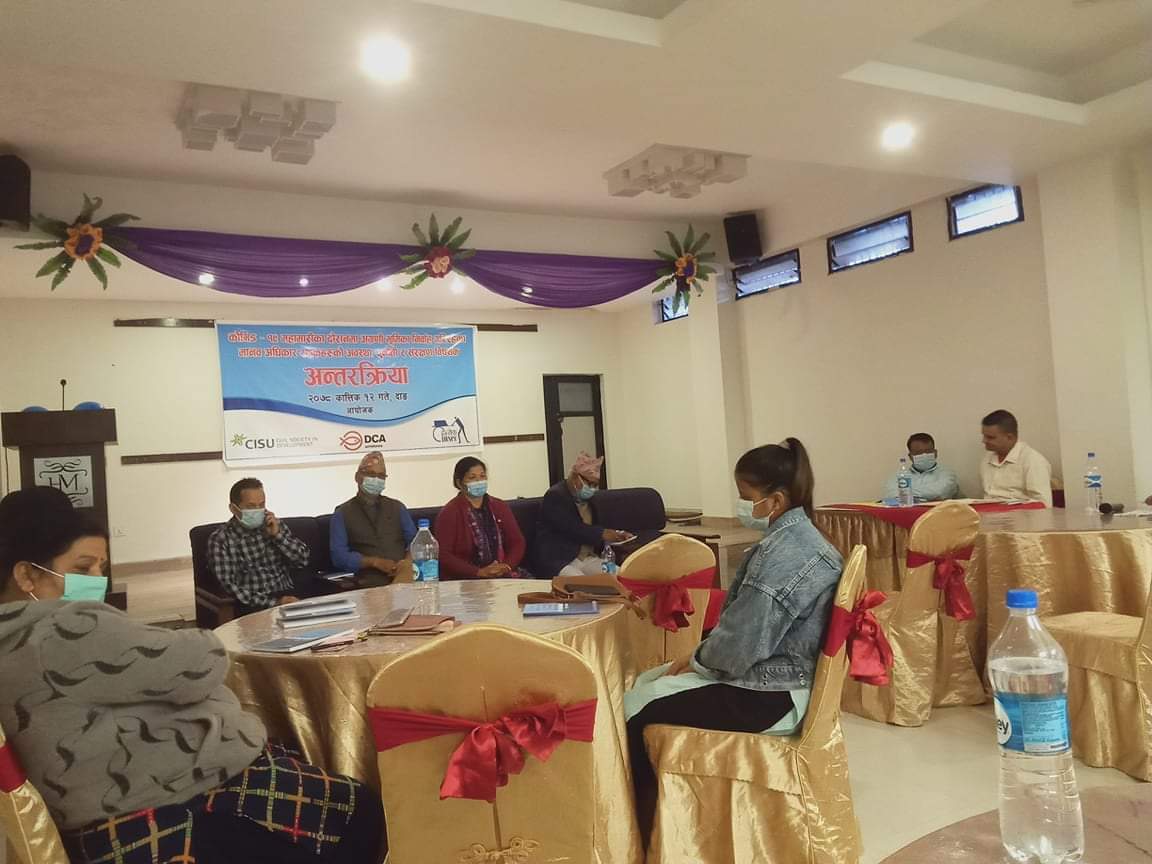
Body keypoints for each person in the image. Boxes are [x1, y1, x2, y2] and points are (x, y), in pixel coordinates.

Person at [0, 487, 384, 864]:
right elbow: (200, 660)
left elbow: (301, 560)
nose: (96, 581)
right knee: (357, 806)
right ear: (26, 575)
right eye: (83, 569)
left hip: (99, 810)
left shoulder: (12, 640)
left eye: (101, 568)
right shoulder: (67, 626)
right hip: (166, 806)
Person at [623, 439, 843, 846]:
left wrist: (697, 659)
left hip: (768, 693)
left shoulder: (782, 556)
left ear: (775, 501)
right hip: (785, 678)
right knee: (648, 681)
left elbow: (738, 651)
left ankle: (643, 833)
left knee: (635, 709)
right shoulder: (805, 539)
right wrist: (698, 658)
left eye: (746, 496)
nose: (742, 505)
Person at [207, 477, 313, 615]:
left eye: (261, 505)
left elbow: (303, 560)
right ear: (233, 508)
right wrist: (274, 603)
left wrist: (278, 536)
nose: (258, 510)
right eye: (251, 506)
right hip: (252, 604)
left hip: (287, 595)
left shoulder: (274, 524)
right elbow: (229, 586)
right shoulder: (221, 539)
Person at [535, 452, 632, 578]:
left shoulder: (590, 499)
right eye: (589, 483)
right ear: (575, 477)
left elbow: (596, 528)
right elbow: (572, 528)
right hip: (562, 560)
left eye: (595, 485)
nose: (592, 488)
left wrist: (618, 535)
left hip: (588, 558)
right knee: (581, 583)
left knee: (620, 576)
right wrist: (603, 533)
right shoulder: (555, 495)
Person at [434, 456, 530, 579]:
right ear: (459, 483)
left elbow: (517, 542)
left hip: (503, 572)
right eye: (472, 478)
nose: (479, 481)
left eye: (482, 476)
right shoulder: (450, 512)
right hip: (465, 578)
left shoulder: (499, 506)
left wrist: (506, 566)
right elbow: (443, 554)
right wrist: (478, 572)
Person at [329, 451, 416, 585]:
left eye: (381, 476)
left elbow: (416, 542)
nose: (376, 479)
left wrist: (407, 562)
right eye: (371, 474)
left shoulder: (397, 507)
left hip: (403, 574)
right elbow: (339, 556)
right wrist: (374, 562)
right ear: (357, 477)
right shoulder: (342, 513)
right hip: (369, 579)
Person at [980, 409, 1053, 506]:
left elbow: (1043, 505)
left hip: (1019, 515)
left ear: (1009, 437)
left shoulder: (1033, 461)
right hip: (988, 513)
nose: (984, 441)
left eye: (990, 437)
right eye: (984, 436)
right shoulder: (987, 458)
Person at [883, 432, 960, 502]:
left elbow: (940, 492)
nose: (924, 455)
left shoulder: (947, 473)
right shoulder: (899, 475)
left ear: (935, 453)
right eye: (918, 453)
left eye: (928, 451)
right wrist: (929, 496)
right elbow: (890, 495)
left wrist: (905, 493)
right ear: (910, 456)